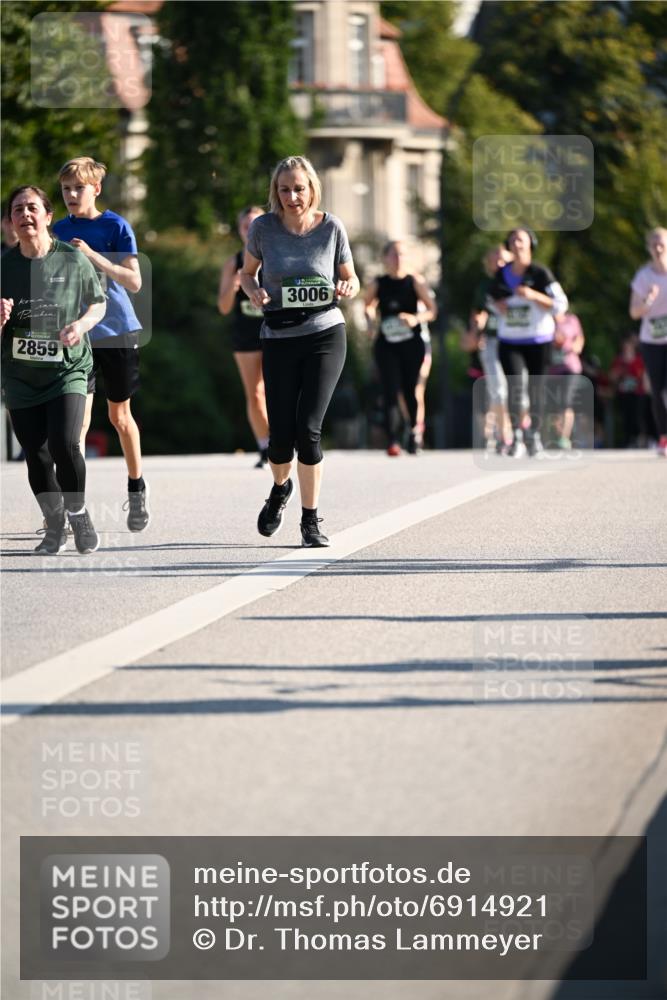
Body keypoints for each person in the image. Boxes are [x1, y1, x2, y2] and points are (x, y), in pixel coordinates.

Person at [240, 155, 359, 547]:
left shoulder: (331, 228)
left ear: (312, 188)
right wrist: (253, 289)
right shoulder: (263, 228)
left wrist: (347, 289)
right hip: (278, 336)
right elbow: (246, 272)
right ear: (276, 192)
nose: (293, 196)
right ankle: (279, 490)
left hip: (325, 332)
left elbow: (351, 278)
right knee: (280, 438)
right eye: (285, 189)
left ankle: (310, 521)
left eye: (299, 188)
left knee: (308, 431)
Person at [1, 185, 106, 554]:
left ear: (48, 216)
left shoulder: (72, 259)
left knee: (64, 443)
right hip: (19, 377)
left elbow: (98, 304)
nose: (25, 215)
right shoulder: (4, 266)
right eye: (17, 210)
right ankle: (55, 525)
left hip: (68, 369)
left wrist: (80, 326)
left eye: (32, 208)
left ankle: (77, 512)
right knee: (36, 453)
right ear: (11, 221)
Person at [52, 156, 150, 528]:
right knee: (76, 424)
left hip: (118, 332)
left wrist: (93, 256)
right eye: (66, 189)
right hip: (76, 335)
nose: (72, 195)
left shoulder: (116, 226)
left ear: (96, 189)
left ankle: (136, 489)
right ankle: (71, 507)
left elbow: (135, 281)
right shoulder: (57, 230)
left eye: (79, 188)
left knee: (119, 416)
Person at [490, 226, 568, 457]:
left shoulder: (541, 273)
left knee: (536, 388)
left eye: (521, 240)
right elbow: (489, 300)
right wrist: (498, 306)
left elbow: (561, 304)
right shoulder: (500, 274)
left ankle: (534, 436)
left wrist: (534, 295)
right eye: (512, 240)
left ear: (530, 244)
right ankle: (516, 437)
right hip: (510, 340)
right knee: (514, 387)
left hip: (538, 338)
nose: (517, 244)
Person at [363, 240, 437, 456]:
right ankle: (393, 440)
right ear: (385, 258)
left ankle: (414, 431)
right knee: (390, 390)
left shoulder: (414, 281)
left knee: (411, 389)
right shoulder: (379, 282)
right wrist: (369, 319)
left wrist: (415, 318)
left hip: (412, 344)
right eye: (393, 254)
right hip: (387, 344)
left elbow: (432, 310)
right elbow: (367, 304)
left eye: (402, 254)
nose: (398, 259)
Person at [217, 206, 270, 468]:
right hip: (245, 336)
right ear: (240, 230)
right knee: (256, 394)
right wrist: (234, 286)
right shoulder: (234, 262)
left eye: (255, 224)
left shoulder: (276, 256)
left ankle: (284, 440)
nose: (250, 229)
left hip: (276, 333)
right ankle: (265, 447)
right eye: (245, 225)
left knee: (278, 392)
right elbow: (223, 307)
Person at [468, 244, 513, 453]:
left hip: (516, 342)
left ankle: (517, 433)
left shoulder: (517, 282)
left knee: (515, 388)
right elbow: (478, 312)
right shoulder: (484, 286)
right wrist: (477, 328)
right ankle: (503, 436)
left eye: (503, 260)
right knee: (498, 390)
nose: (499, 264)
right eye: (495, 260)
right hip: (492, 342)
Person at [629, 226, 667, 457]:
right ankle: (664, 437)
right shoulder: (644, 277)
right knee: (658, 390)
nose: (658, 247)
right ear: (648, 248)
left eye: (661, 242)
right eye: (653, 244)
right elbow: (634, 312)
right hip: (652, 340)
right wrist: (648, 300)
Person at [546, 311, 585, 449]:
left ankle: (564, 437)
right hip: (552, 369)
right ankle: (557, 434)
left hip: (570, 367)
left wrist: (575, 346)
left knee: (566, 401)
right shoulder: (546, 318)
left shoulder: (571, 319)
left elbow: (579, 338)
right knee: (554, 405)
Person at [609, 333, 650, 448]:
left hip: (638, 393)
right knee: (626, 417)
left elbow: (642, 376)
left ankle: (641, 438)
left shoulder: (639, 360)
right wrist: (617, 375)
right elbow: (612, 376)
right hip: (624, 393)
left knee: (639, 416)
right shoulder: (619, 360)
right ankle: (628, 440)